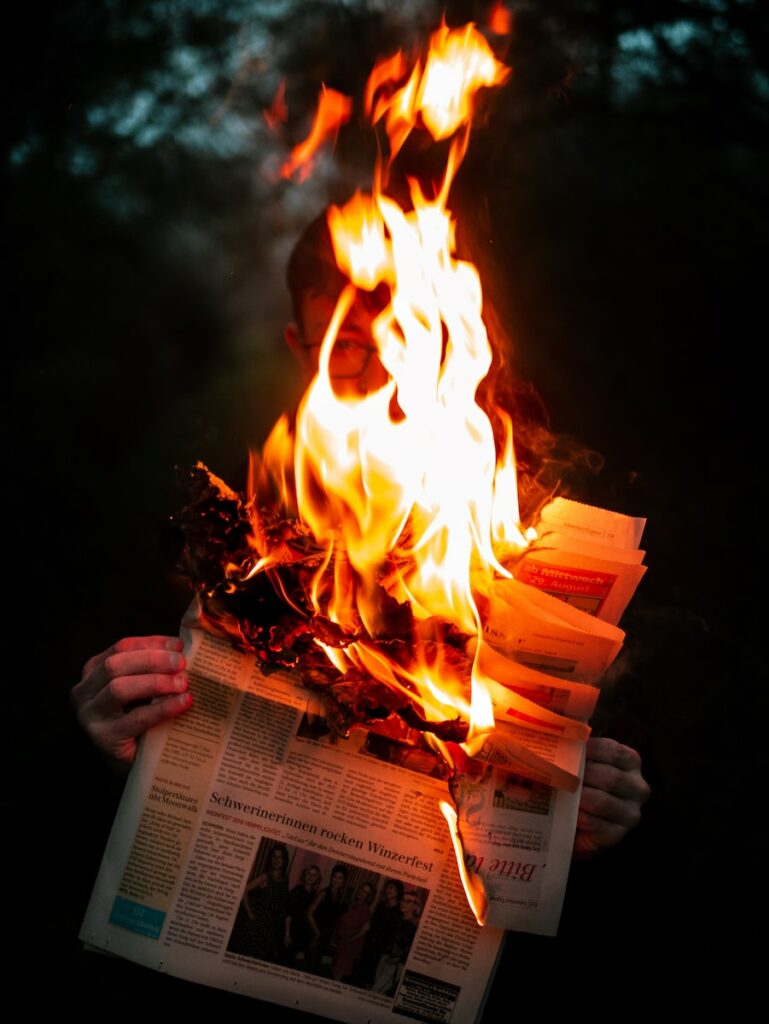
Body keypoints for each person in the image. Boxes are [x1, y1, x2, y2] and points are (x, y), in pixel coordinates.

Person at [70, 206, 651, 858]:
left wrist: (616, 823)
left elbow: (667, 845)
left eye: (412, 346)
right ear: (300, 350)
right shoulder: (215, 545)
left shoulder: (528, 534)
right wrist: (104, 757)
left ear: (457, 348)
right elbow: (67, 846)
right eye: (346, 345)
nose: (384, 381)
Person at [227, 843, 290, 962]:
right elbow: (243, 890)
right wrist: (250, 914)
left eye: (279, 857)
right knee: (249, 958)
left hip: (272, 926)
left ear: (285, 860)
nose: (276, 860)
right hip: (258, 924)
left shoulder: (285, 879)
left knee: (261, 958)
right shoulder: (265, 876)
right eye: (274, 856)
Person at [307, 863, 348, 975]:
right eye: (335, 876)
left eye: (340, 878)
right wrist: (317, 933)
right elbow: (309, 913)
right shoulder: (324, 893)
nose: (337, 880)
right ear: (331, 877)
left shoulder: (338, 896)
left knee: (315, 967)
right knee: (311, 967)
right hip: (315, 934)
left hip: (325, 936)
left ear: (344, 881)